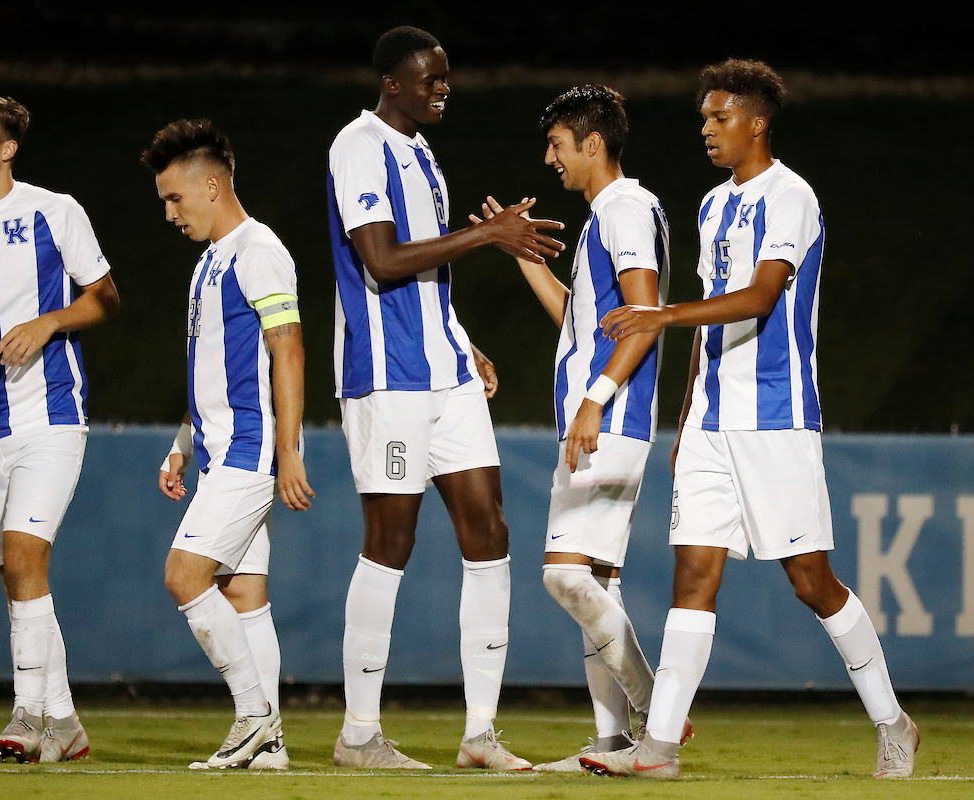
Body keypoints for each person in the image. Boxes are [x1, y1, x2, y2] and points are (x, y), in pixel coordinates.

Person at [579, 59, 919, 779]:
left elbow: (762, 297)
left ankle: (893, 721)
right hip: (709, 424)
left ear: (757, 122)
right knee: (693, 577)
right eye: (704, 117)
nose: (706, 128)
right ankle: (660, 748)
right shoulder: (710, 206)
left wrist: (660, 314)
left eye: (720, 116)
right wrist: (686, 418)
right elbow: (710, 329)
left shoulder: (790, 195)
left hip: (775, 420)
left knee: (811, 581)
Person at [327, 25, 565, 771]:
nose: (442, 88)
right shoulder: (357, 145)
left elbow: (426, 280)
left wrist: (462, 340)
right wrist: (488, 236)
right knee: (392, 542)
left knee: (489, 531)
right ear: (392, 83)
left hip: (445, 372)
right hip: (389, 377)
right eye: (430, 79)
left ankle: (479, 734)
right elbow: (383, 259)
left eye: (446, 77)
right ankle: (359, 734)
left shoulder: (423, 154)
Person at [472, 85, 682, 771]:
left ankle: (658, 714)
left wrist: (595, 397)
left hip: (610, 418)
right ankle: (615, 742)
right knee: (597, 582)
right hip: (606, 414)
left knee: (564, 578)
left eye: (557, 144)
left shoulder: (622, 208)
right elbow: (582, 318)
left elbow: (645, 313)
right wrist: (525, 256)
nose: (548, 158)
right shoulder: (613, 214)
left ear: (593, 144)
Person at [0, 97, 120, 763]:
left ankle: (25, 715)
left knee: (24, 557)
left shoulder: (54, 210)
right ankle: (65, 720)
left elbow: (106, 297)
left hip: (49, 418)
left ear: (8, 147)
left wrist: (50, 322)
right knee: (18, 580)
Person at [142, 119, 314, 770]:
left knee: (184, 576)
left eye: (174, 198)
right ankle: (269, 748)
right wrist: (183, 443)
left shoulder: (258, 249)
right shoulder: (209, 262)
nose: (168, 213)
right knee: (244, 597)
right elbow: (211, 368)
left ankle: (251, 716)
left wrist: (289, 450)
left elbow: (287, 349)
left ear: (211, 186)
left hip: (249, 453)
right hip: (217, 454)